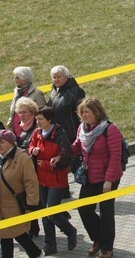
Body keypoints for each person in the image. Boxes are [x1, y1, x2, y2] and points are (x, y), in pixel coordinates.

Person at [70, 98, 123, 258]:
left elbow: (115, 157)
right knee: (84, 208)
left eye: (88, 112)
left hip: (109, 177)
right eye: (82, 112)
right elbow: (77, 146)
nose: (84, 115)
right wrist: (62, 152)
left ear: (97, 112)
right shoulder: (82, 129)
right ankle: (98, 239)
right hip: (90, 176)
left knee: (106, 213)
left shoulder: (110, 129)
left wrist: (108, 181)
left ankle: (107, 248)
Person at [28, 106, 78, 255]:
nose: (38, 122)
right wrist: (32, 151)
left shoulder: (60, 136)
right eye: (36, 119)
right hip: (41, 180)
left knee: (52, 212)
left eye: (40, 119)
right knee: (45, 213)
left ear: (49, 119)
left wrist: (44, 164)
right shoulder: (37, 133)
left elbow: (65, 160)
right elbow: (30, 145)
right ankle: (50, 245)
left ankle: (70, 231)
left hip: (56, 180)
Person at [0, 129, 43, 258]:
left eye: (1, 142)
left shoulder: (22, 158)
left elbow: (31, 184)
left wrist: (31, 206)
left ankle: (36, 253)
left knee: (12, 234)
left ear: (11, 143)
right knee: (10, 235)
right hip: (2, 207)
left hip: (15, 206)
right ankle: (36, 253)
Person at [48, 65, 85, 145]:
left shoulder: (75, 92)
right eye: (54, 77)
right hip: (57, 134)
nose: (56, 80)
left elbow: (82, 113)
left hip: (72, 135)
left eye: (59, 77)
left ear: (66, 77)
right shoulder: (53, 92)